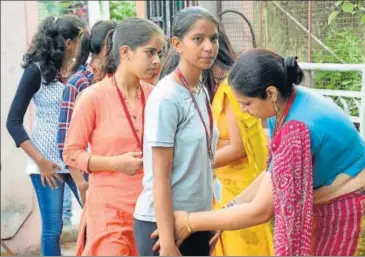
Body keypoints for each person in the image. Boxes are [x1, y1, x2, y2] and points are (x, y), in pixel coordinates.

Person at [151, 48, 365, 256]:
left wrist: (190, 221)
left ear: (270, 93)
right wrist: (225, 212)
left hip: (345, 209)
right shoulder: (282, 106)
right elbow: (271, 176)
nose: (243, 111)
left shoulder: (296, 127)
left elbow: (261, 210)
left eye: (247, 103)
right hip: (327, 202)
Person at [62, 17, 164, 256]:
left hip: (149, 210)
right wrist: (115, 164)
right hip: (109, 213)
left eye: (159, 52)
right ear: (126, 52)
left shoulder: (157, 96)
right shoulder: (92, 97)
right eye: (150, 52)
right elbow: (70, 153)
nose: (157, 61)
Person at [133, 6, 220, 256]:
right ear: (177, 44)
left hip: (195, 220)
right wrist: (168, 243)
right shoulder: (166, 96)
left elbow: (203, 163)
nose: (208, 47)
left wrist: (210, 218)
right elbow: (160, 176)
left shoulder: (201, 89)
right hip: (162, 225)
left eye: (213, 38)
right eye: (198, 39)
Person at [6, 15, 87, 256]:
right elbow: (13, 122)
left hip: (76, 157)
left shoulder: (79, 71)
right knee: (54, 227)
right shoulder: (36, 72)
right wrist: (40, 162)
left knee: (95, 216)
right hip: (46, 162)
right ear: (70, 43)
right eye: (80, 39)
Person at [204, 26, 274, 256]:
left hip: (241, 186)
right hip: (227, 188)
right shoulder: (214, 88)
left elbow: (238, 147)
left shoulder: (231, 89)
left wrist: (198, 163)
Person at [57, 20, 117, 206]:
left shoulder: (115, 79)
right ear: (108, 46)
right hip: (89, 174)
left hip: (115, 173)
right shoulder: (79, 83)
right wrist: (81, 183)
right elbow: (65, 141)